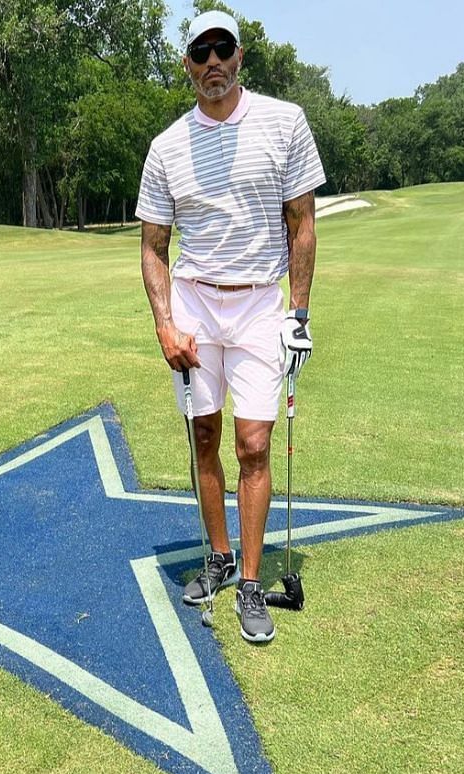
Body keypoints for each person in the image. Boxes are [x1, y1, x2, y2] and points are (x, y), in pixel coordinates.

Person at [137, 9, 321, 644]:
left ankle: (248, 580)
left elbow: (302, 222)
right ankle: (217, 555)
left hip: (259, 306)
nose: (212, 61)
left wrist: (298, 314)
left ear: (240, 56)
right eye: (200, 52)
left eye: (223, 49)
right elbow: (154, 246)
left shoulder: (285, 122)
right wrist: (165, 324)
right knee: (206, 435)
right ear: (187, 64)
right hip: (193, 303)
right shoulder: (166, 147)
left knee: (254, 444)